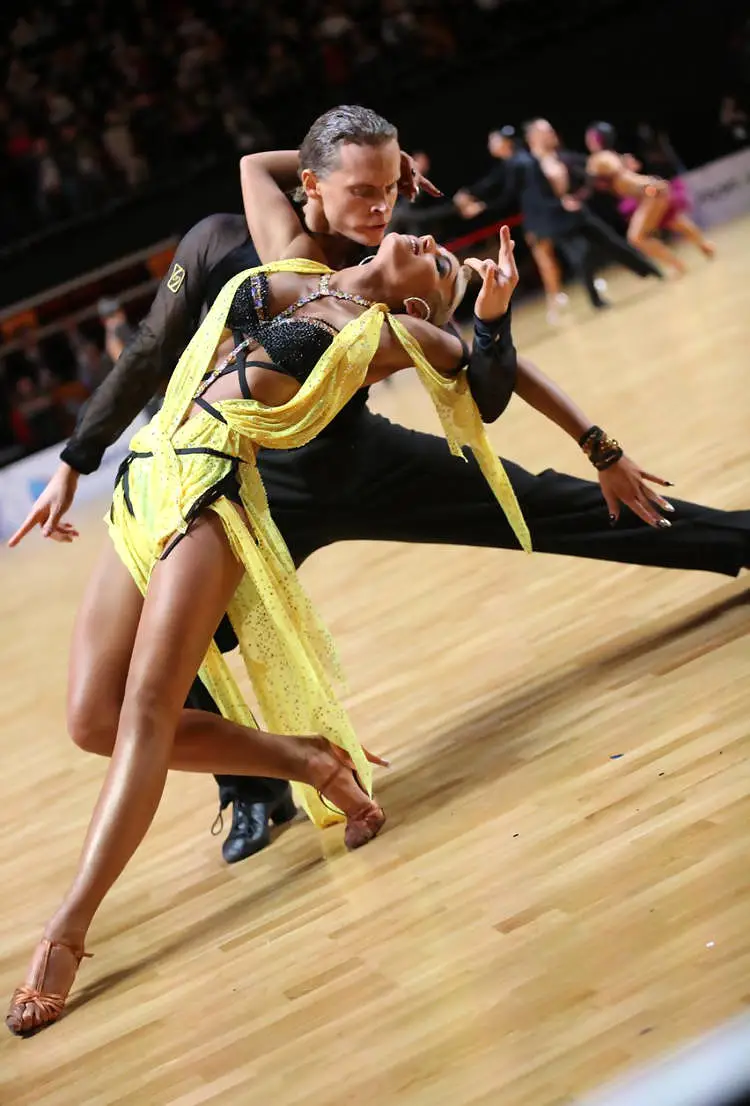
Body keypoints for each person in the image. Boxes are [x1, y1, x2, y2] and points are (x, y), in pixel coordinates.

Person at [12, 106, 750, 867]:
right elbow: (147, 350)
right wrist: (77, 456)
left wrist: (597, 442)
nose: (384, 206)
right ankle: (251, 790)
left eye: (392, 188)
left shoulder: (406, 260)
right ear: (311, 183)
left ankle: (739, 537)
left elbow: (487, 379)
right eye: (364, 189)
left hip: (365, 459)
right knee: (175, 646)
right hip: (261, 489)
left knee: (548, 506)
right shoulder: (232, 243)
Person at [6, 169, 531, 1037]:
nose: (426, 241)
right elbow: (266, 169)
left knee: (145, 712)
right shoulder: (293, 266)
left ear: (425, 301)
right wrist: (380, 169)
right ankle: (309, 759)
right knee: (91, 719)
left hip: (212, 499)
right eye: (406, 221)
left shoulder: (396, 335)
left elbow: (492, 388)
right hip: (145, 481)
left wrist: (497, 319)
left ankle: (66, 933)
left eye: (440, 262)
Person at [585, 121, 715, 275]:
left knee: (636, 237)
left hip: (649, 191)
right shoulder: (612, 156)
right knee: (672, 220)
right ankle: (704, 245)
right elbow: (630, 167)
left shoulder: (598, 158)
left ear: (596, 139)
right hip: (652, 189)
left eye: (589, 138)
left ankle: (677, 265)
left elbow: (601, 176)